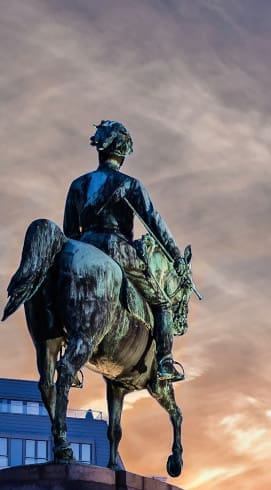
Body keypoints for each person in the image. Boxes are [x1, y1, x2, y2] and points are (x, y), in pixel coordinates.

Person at [62, 120, 189, 382]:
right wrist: (176, 256)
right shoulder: (130, 185)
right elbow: (154, 222)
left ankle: (66, 351)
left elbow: (70, 232)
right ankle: (165, 361)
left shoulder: (77, 185)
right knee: (162, 302)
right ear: (122, 152)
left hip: (83, 247)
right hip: (117, 248)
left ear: (100, 149)